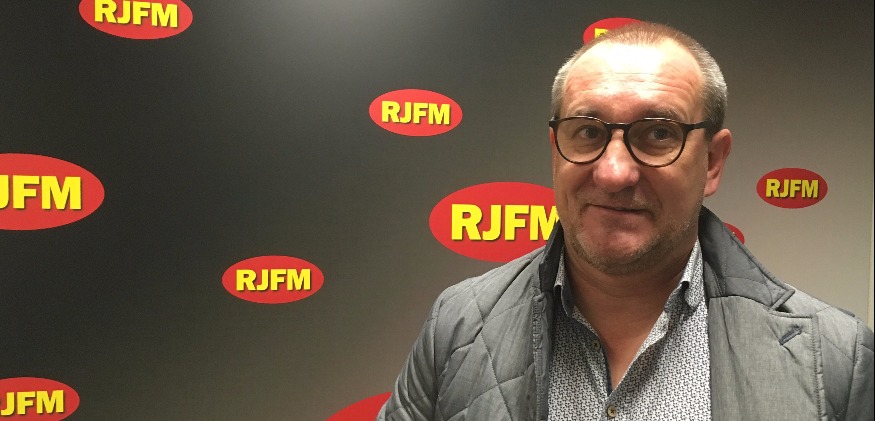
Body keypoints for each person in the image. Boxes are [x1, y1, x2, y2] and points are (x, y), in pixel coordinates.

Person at [377, 22, 874, 421]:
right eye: (587, 132)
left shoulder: (835, 361)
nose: (614, 173)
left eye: (658, 133)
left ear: (712, 162)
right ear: (555, 150)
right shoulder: (457, 326)